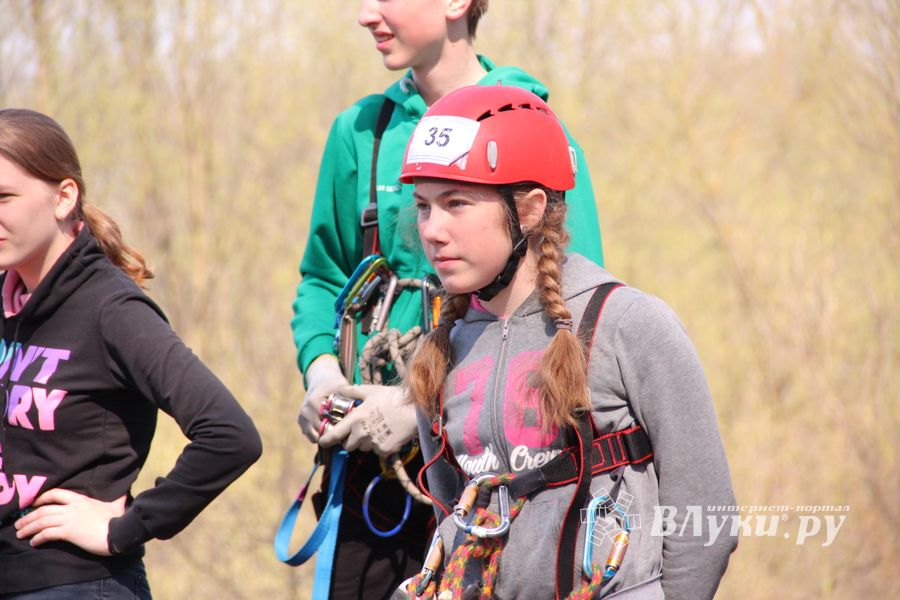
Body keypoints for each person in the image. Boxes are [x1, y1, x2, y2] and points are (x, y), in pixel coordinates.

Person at [290, 0, 604, 597]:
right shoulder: (362, 133)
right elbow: (323, 277)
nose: (366, 14)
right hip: (371, 480)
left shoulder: (535, 130)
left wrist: (420, 410)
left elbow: (569, 307)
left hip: (493, 475)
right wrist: (322, 370)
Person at [399, 85, 738, 599]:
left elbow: (707, 517)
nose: (433, 230)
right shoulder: (439, 351)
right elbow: (453, 514)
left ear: (530, 209)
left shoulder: (626, 323)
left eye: (456, 203)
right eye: (424, 207)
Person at [0, 108, 262, 598]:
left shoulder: (111, 309)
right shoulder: (7, 300)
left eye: (4, 197)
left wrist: (126, 527)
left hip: (78, 584)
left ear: (64, 197)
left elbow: (230, 435)